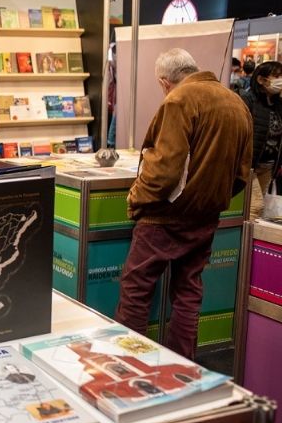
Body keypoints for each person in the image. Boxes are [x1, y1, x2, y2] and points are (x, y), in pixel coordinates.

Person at [114, 49, 252, 360]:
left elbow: (164, 171)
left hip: (163, 218)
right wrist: (209, 200)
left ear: (164, 82)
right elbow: (242, 173)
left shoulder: (178, 100)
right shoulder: (236, 104)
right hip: (205, 218)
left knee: (136, 290)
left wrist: (136, 198)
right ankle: (182, 366)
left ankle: (129, 365)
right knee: (188, 292)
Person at [240, 61, 282, 220]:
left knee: (258, 207)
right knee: (255, 206)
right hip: (250, 165)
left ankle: (251, 234)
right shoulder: (248, 100)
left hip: (269, 166)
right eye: (276, 76)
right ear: (261, 79)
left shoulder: (278, 104)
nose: (280, 80)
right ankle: (246, 235)